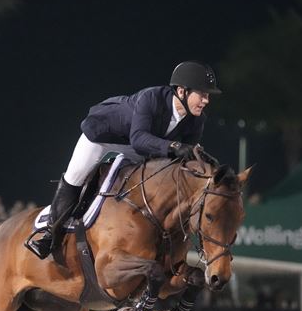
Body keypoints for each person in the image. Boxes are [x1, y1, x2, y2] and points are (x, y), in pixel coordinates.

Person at [25, 61, 222, 259]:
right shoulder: (151, 98)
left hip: (142, 146)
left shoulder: (197, 120)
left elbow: (182, 159)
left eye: (207, 96)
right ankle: (50, 234)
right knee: (74, 177)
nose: (206, 101)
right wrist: (174, 147)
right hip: (103, 136)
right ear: (182, 91)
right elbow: (139, 139)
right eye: (202, 94)